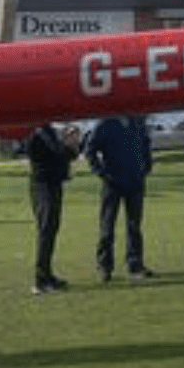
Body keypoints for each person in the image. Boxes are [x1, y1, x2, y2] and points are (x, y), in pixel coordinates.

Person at [85, 115, 154, 282]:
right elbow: (90, 149)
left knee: (134, 225)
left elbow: (145, 145)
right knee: (107, 226)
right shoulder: (105, 123)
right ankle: (105, 266)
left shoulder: (137, 121)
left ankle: (135, 263)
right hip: (113, 182)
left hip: (135, 180)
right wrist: (101, 172)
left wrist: (146, 166)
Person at [26, 123, 80, 294]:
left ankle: (47, 275)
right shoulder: (40, 131)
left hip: (53, 185)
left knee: (51, 230)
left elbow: (70, 155)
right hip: (43, 186)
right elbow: (61, 153)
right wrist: (68, 142)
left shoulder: (51, 131)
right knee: (46, 229)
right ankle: (41, 280)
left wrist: (72, 142)